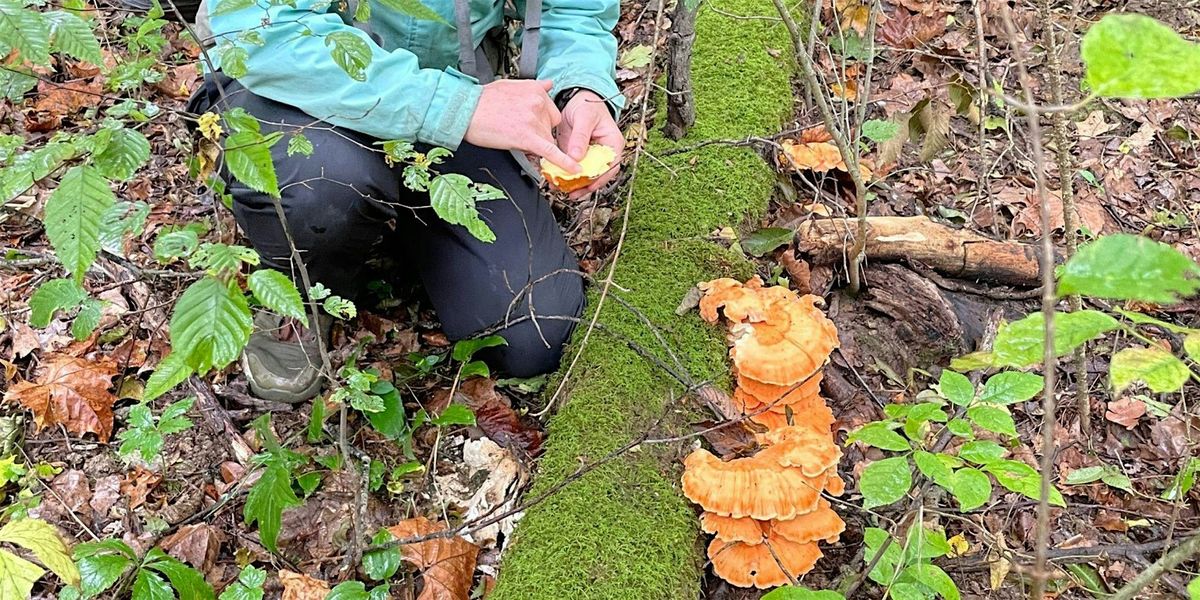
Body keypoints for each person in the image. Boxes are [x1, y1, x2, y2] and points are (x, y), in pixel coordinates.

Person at [186, 0, 624, 402]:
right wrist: (451, 107)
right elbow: (263, 31)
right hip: (297, 91)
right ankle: (302, 288)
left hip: (459, 85)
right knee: (324, 184)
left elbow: (574, 10)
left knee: (534, 332)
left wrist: (579, 87)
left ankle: (412, 225)